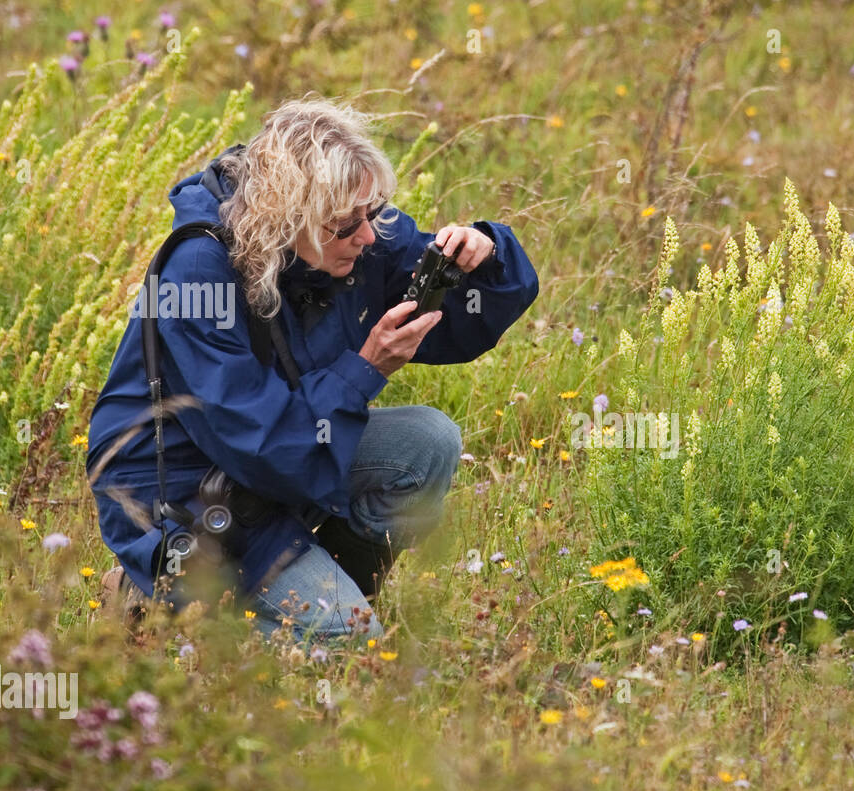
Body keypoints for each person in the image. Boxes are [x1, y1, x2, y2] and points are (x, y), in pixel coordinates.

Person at [87, 96, 539, 642]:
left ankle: (331, 588)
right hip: (186, 492)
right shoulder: (198, 275)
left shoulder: (351, 231)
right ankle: (154, 596)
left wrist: (485, 255)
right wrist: (365, 368)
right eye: (348, 223)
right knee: (353, 645)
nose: (368, 236)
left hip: (285, 454)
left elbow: (461, 316)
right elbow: (260, 444)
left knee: (427, 443)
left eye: (373, 214)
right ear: (287, 214)